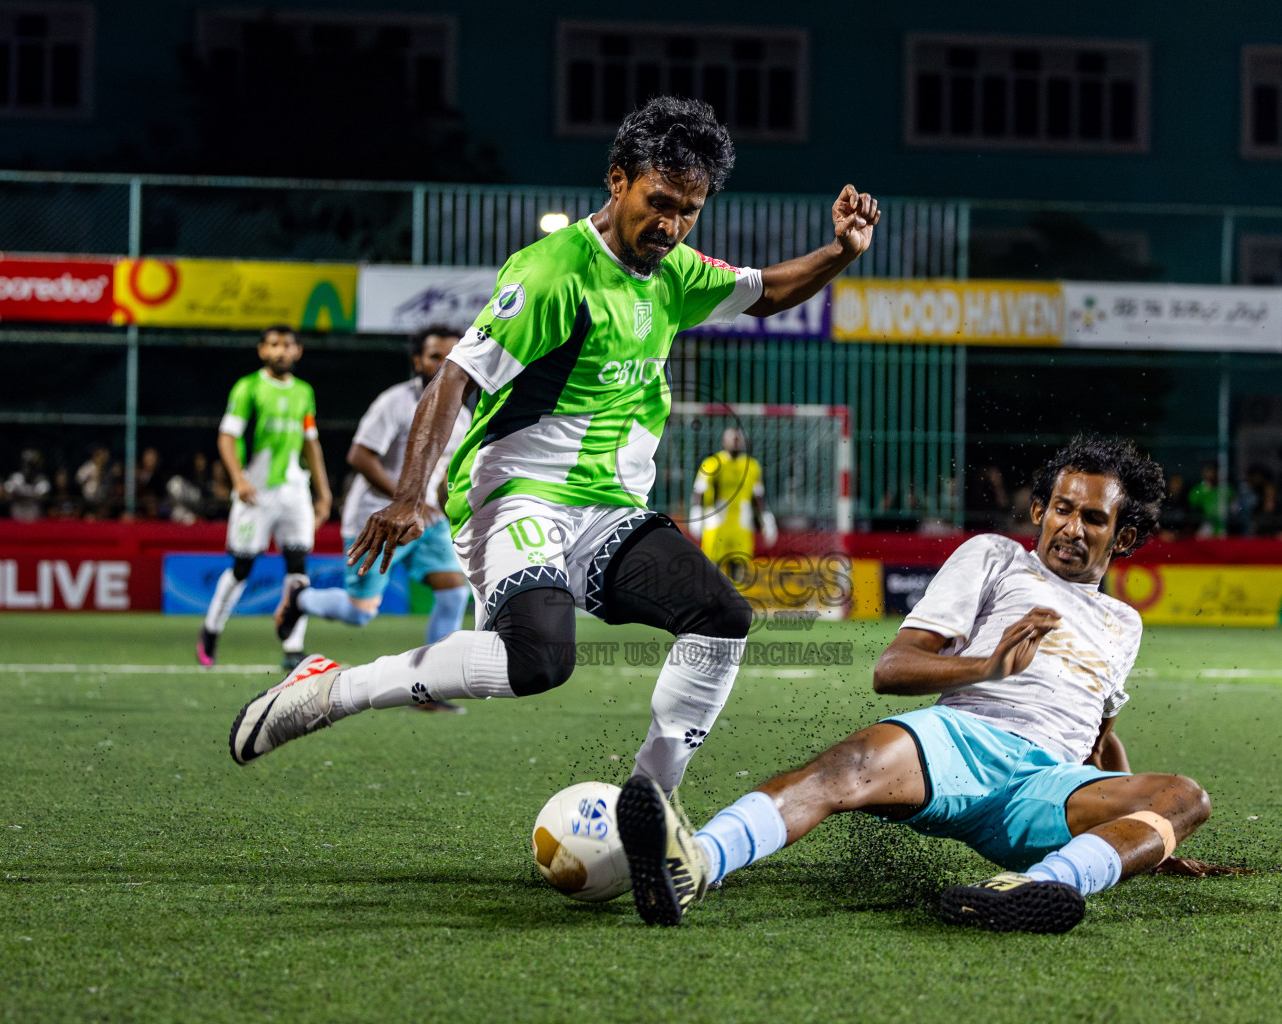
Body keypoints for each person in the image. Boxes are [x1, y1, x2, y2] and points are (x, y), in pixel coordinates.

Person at [227, 95, 879, 798]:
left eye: (689, 209)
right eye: (659, 200)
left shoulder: (675, 271)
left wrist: (841, 251)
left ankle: (650, 804)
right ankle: (335, 689)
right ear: (617, 179)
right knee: (539, 661)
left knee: (722, 615)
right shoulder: (550, 275)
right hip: (515, 495)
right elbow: (454, 377)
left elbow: (768, 291)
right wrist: (411, 495)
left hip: (607, 510)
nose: (671, 223)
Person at [616, 435, 1219, 934]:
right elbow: (892, 668)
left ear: (1124, 537)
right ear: (1039, 511)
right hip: (958, 742)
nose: (1071, 527)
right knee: (844, 766)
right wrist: (988, 668)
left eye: (1093, 518)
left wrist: (1142, 834)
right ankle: (696, 862)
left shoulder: (1123, 624)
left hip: (1049, 785)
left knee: (1186, 797)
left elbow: (1100, 740)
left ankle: (1037, 888)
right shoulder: (994, 558)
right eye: (1062, 508)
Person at [273, 326, 473, 711]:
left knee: (453, 593)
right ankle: (302, 597)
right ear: (418, 361)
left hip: (427, 521)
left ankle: (426, 689)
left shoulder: (461, 414)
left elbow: (445, 474)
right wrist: (406, 500)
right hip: (377, 519)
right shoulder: (394, 403)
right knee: (359, 612)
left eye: (453, 355)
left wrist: (453, 506)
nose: (444, 363)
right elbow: (359, 457)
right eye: (435, 355)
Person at [197, 325, 332, 671]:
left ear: (298, 351)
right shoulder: (248, 388)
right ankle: (211, 629)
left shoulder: (305, 392)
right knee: (242, 568)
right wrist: (238, 479)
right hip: (255, 491)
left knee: (298, 566)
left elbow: (310, 443)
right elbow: (227, 437)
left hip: (294, 490)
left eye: (288, 345)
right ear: (262, 351)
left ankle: (293, 646)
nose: (281, 351)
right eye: (274, 345)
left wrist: (323, 492)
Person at [689, 426, 776, 580]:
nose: (736, 443)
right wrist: (696, 513)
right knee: (712, 567)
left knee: (739, 566)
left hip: (741, 523)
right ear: (724, 441)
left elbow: (758, 496)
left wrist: (766, 519)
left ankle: (734, 600)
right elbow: (699, 491)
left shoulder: (752, 466)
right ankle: (711, 601)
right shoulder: (712, 463)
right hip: (717, 522)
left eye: (738, 439)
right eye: (732, 439)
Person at [5, 449, 51, 522]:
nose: (28, 468)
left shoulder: (42, 480)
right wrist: (32, 496)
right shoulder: (16, 477)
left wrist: (20, 495)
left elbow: (42, 497)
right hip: (16, 520)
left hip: (34, 521)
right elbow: (8, 494)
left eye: (31, 465)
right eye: (26, 464)